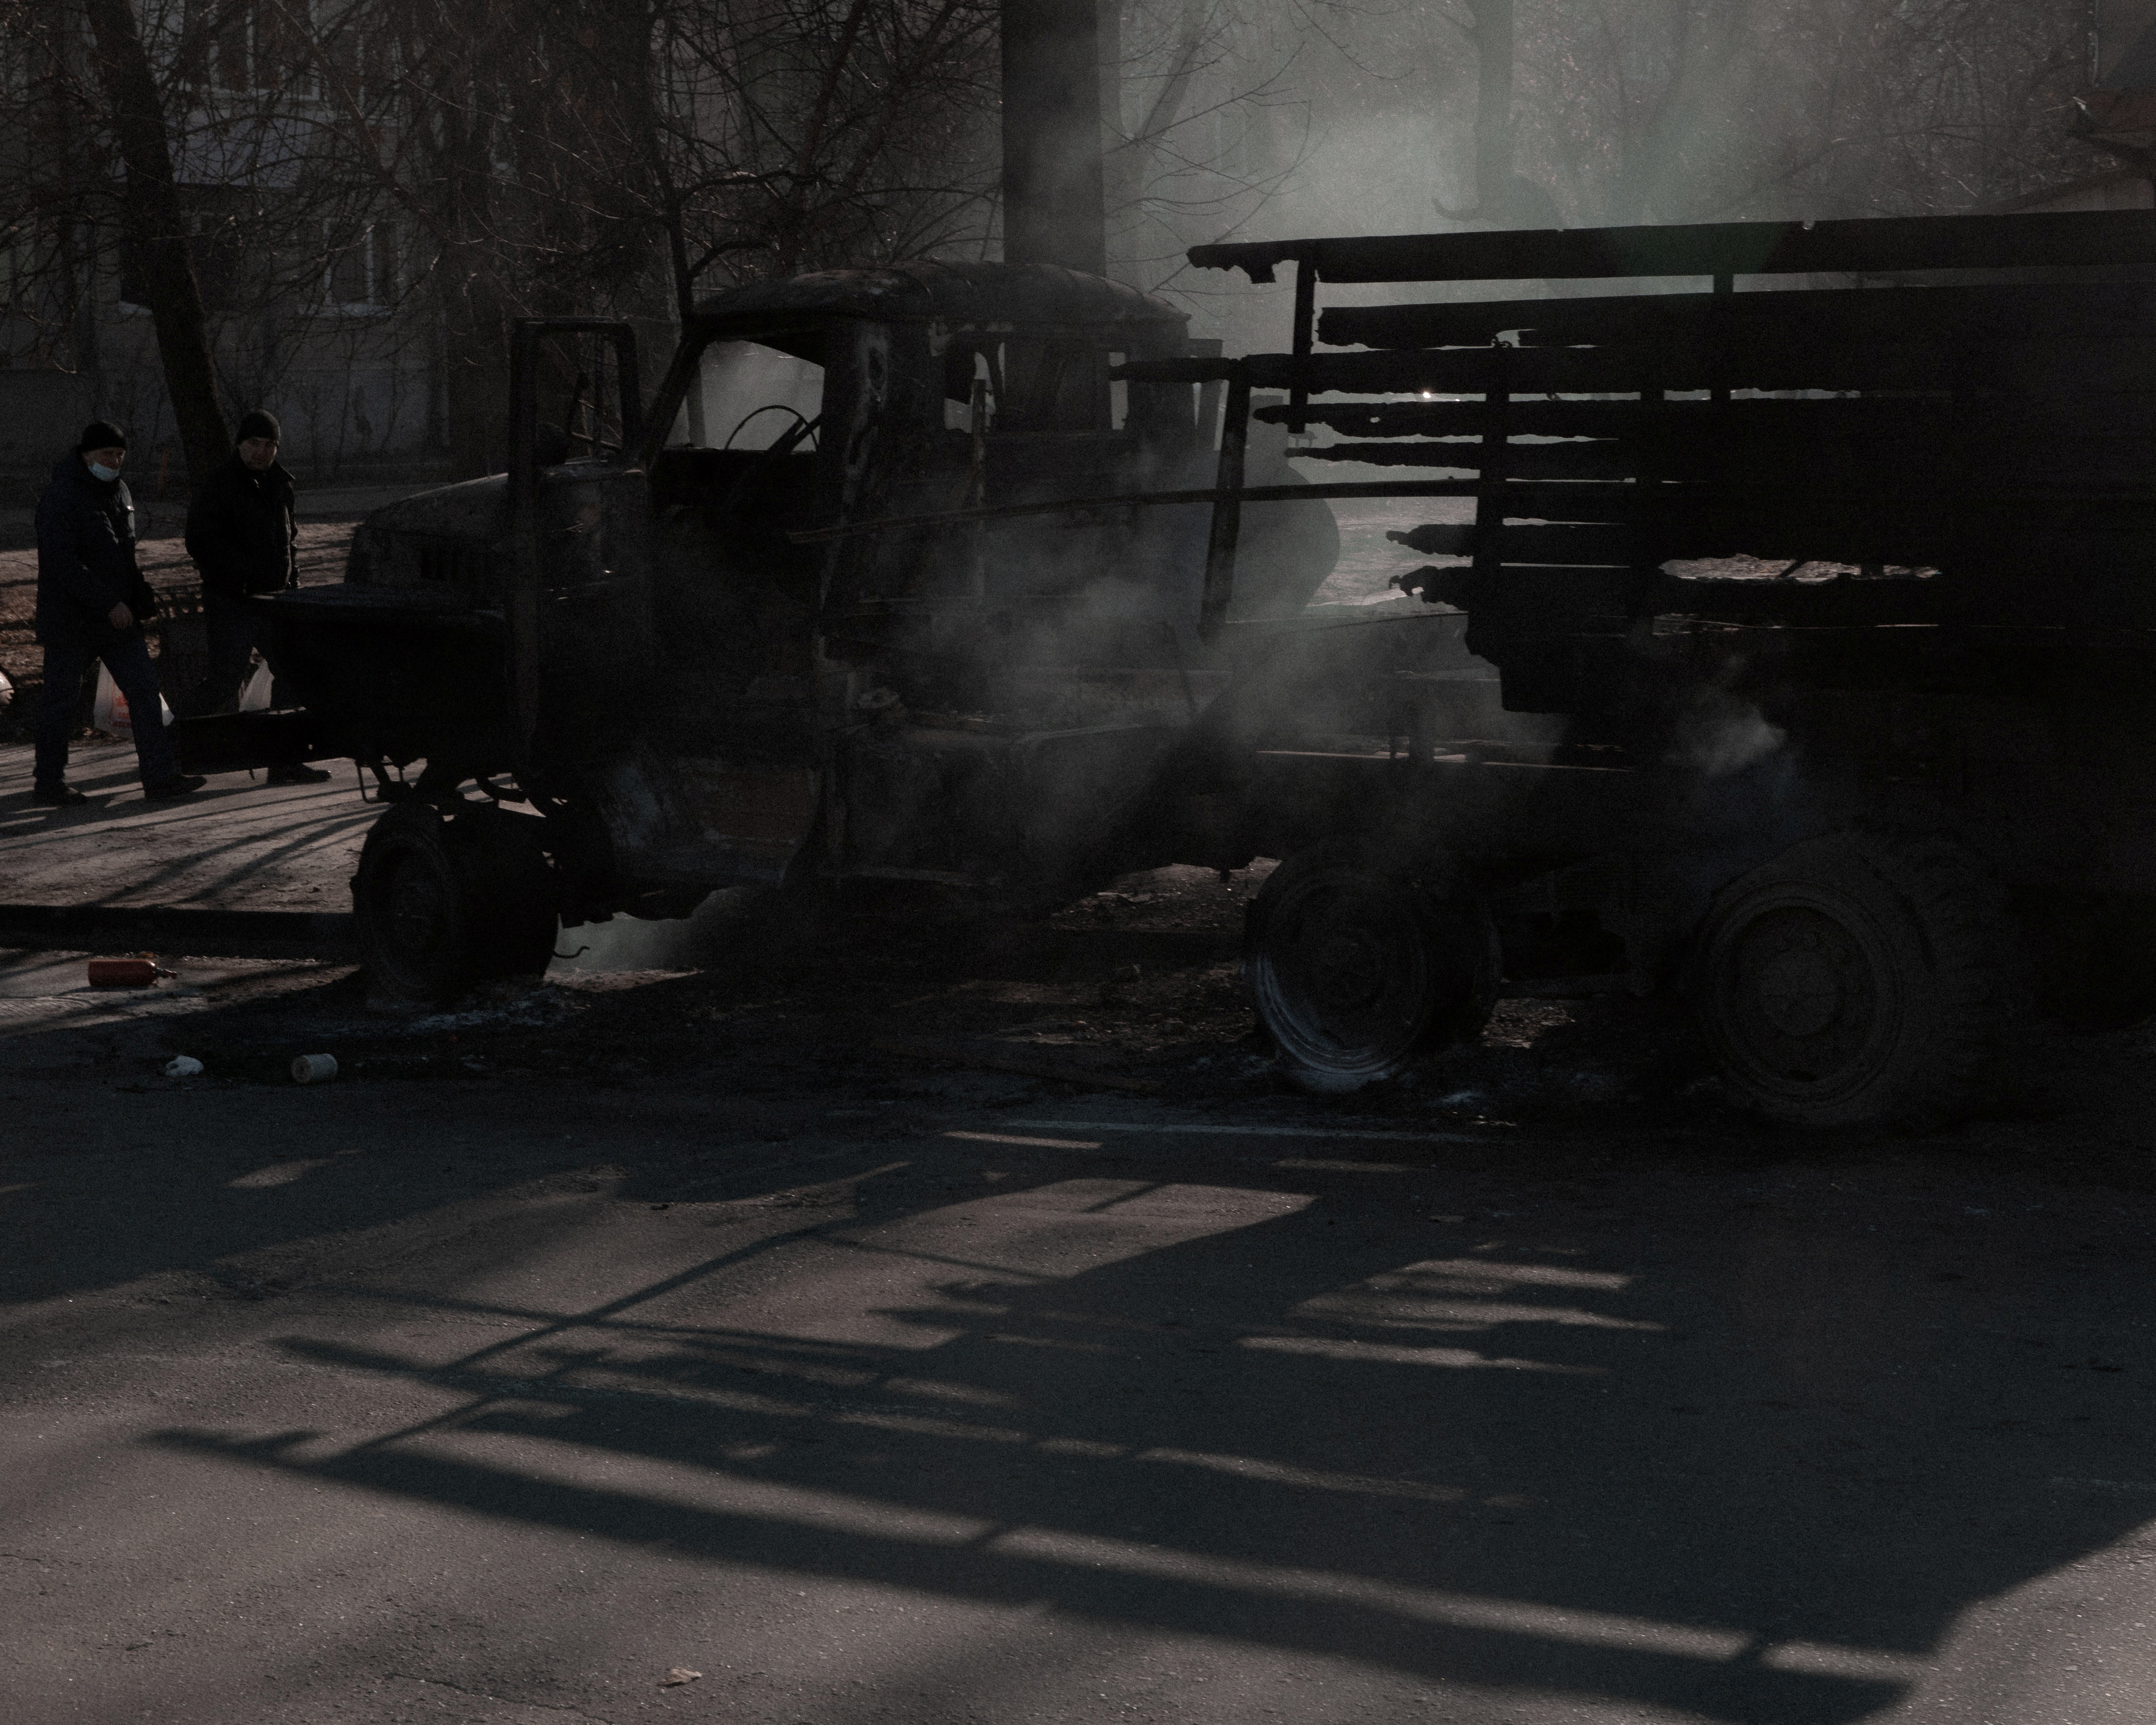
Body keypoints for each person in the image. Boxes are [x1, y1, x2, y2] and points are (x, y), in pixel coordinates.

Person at [30, 421, 205, 806]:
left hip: (118, 618)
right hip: (72, 620)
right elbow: (62, 563)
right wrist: (108, 602)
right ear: (86, 454)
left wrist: (137, 594)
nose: (113, 461)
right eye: (107, 454)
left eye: (119, 455)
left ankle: (160, 777)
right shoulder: (62, 496)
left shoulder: (119, 492)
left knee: (144, 692)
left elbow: (123, 554)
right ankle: (49, 781)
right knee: (61, 701)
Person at [181, 409, 330, 783]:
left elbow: (289, 542)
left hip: (276, 601)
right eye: (254, 444)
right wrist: (242, 575)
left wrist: (291, 587)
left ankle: (285, 761)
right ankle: (168, 744)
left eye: (269, 445)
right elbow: (201, 541)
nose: (262, 452)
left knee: (293, 672)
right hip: (233, 600)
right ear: (240, 445)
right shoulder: (219, 484)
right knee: (225, 681)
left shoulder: (281, 485)